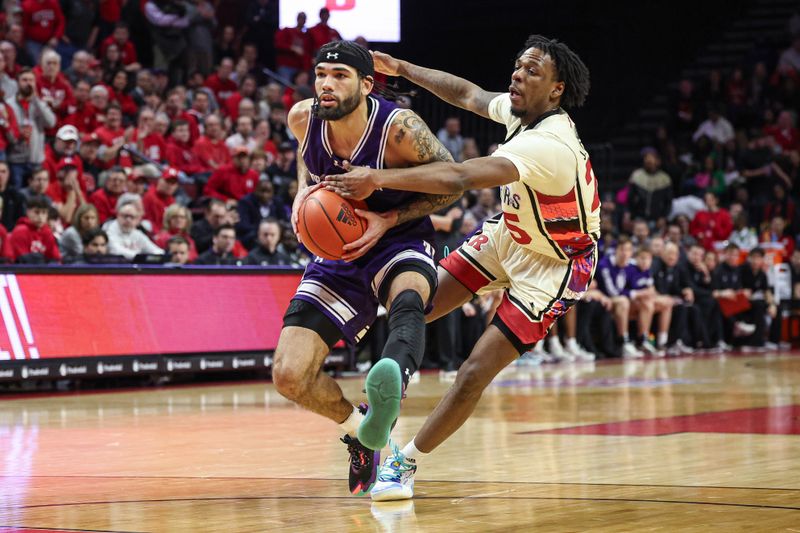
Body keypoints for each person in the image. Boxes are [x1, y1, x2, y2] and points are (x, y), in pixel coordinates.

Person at [324, 35, 597, 501]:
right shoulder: (521, 114)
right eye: (518, 65)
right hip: (509, 234)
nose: (517, 74)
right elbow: (467, 94)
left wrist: (378, 179)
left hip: (555, 262)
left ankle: (404, 464)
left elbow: (460, 177)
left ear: (557, 90)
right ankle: (383, 408)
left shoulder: (551, 144)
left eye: (532, 70)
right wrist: (403, 68)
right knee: (413, 311)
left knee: (473, 372)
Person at [270, 41, 458, 497]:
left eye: (339, 75)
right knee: (289, 376)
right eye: (320, 74)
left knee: (409, 295)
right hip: (338, 251)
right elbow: (303, 155)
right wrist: (302, 192)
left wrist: (388, 216)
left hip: (398, 234)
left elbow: (452, 182)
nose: (326, 84)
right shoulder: (303, 117)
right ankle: (367, 432)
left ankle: (390, 378)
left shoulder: (398, 128)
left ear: (367, 84)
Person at [9, 194, 61, 263]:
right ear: (28, 212)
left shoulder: (48, 232)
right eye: (37, 212)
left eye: (44, 213)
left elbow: (56, 258)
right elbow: (21, 261)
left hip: (43, 271)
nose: (40, 217)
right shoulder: (20, 231)